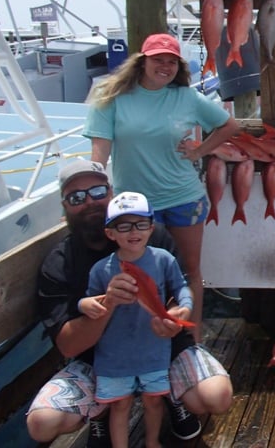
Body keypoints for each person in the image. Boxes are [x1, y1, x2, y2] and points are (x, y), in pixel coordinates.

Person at [27, 160, 233, 448]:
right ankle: (102, 408)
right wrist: (108, 303)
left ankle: (171, 396)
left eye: (98, 191)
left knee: (216, 396)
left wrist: (177, 315)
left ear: (111, 192)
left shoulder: (155, 240)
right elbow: (69, 346)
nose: (89, 202)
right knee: (41, 424)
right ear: (64, 206)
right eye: (76, 197)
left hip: (162, 352)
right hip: (101, 363)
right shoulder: (59, 264)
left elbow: (181, 285)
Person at [84, 33, 240, 337]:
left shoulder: (187, 97)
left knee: (190, 271)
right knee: (140, 274)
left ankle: (191, 339)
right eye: (158, 60)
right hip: (135, 206)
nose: (165, 66)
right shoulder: (111, 97)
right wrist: (95, 194)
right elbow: (99, 155)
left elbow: (229, 125)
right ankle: (147, 339)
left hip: (184, 198)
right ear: (142, 62)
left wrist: (199, 150)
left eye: (171, 61)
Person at [78, 191, 193, 448]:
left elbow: (182, 287)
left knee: (154, 401)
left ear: (151, 228)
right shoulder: (101, 269)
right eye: (123, 225)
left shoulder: (164, 259)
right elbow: (89, 300)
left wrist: (184, 308)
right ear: (111, 233)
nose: (134, 231)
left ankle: (152, 442)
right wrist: (84, 304)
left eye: (141, 223)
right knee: (120, 405)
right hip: (114, 354)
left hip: (153, 349)